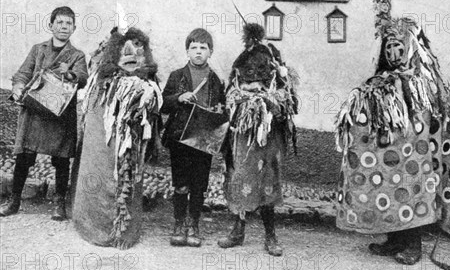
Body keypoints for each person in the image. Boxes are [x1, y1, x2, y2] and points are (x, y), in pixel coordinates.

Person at [335, 0, 450, 266]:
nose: (393, 53)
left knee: (411, 188)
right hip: (390, 153)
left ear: (409, 49)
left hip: (414, 153)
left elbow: (428, 117)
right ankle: (393, 240)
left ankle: (413, 243)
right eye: (389, 48)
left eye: (398, 47)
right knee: (387, 189)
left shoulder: (421, 81)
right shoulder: (380, 80)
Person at [71, 26, 161, 249]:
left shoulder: (149, 85)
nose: (130, 52)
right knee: (99, 174)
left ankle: (124, 230)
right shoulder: (100, 84)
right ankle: (96, 226)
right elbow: (91, 118)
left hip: (131, 148)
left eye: (138, 47)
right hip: (102, 147)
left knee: (130, 175)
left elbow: (152, 117)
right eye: (124, 48)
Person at [0, 6, 88, 220]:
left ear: (74, 28)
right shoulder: (38, 49)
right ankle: (14, 200)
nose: (64, 27)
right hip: (34, 113)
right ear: (51, 25)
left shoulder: (77, 55)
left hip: (60, 115)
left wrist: (70, 73)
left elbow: (83, 77)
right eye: (59, 22)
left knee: (61, 160)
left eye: (68, 23)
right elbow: (23, 72)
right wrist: (19, 87)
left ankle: (59, 203)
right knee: (24, 156)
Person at [217, 23, 297, 257]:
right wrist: (243, 101)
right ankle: (237, 230)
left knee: (268, 183)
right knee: (239, 178)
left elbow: (286, 105)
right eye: (248, 71)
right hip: (241, 141)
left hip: (268, 142)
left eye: (259, 70)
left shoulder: (278, 86)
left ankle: (270, 235)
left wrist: (269, 102)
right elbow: (230, 100)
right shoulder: (236, 86)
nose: (253, 76)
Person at [161, 28, 226, 247]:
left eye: (203, 48)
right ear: (187, 51)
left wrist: (218, 109)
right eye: (194, 48)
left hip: (203, 139)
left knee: (199, 185)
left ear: (211, 52)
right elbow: (163, 103)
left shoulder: (216, 80)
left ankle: (194, 224)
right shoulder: (176, 76)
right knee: (181, 183)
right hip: (179, 137)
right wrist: (179, 97)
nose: (198, 52)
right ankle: (179, 224)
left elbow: (223, 109)